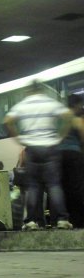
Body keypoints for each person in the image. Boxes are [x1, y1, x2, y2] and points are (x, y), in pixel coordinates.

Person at [3, 81, 73, 230]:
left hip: (32, 148)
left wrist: (18, 138)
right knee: (54, 184)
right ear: (41, 90)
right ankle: (62, 220)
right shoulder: (49, 102)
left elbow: (7, 120)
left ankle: (31, 221)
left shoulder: (24, 104)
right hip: (50, 147)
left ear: (29, 91)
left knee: (33, 186)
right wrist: (60, 136)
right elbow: (68, 116)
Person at [58, 94, 84, 228]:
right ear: (76, 105)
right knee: (77, 188)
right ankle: (79, 220)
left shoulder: (60, 118)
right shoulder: (76, 119)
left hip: (59, 156)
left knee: (64, 188)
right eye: (80, 105)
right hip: (74, 155)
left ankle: (68, 220)